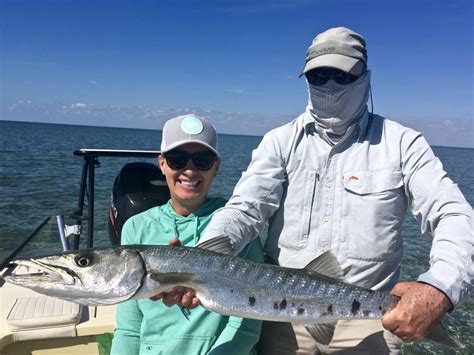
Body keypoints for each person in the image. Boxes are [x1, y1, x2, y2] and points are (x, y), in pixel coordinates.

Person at [189, 27, 472, 353]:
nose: (329, 85)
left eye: (340, 75)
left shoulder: (402, 144)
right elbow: (245, 209)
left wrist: (439, 288)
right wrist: (201, 262)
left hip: (370, 322)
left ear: (365, 77)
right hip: (281, 315)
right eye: (319, 76)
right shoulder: (280, 141)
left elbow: (453, 213)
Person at [110, 114, 264, 355]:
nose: (190, 171)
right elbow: (129, 325)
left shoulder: (238, 225)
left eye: (202, 160)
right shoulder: (135, 227)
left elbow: (247, 323)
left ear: (216, 166)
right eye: (177, 159)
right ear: (162, 163)